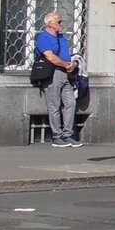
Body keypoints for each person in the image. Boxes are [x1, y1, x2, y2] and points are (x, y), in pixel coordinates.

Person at [35, 12, 81, 148]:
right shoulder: (43, 37)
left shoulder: (62, 38)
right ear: (50, 24)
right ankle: (57, 136)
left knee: (70, 103)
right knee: (54, 105)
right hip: (52, 73)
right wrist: (67, 65)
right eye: (58, 22)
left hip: (66, 74)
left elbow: (68, 55)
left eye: (61, 22)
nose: (61, 24)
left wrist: (73, 64)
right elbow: (50, 57)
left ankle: (68, 134)